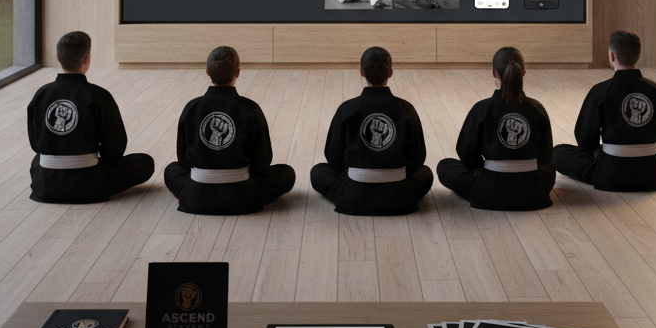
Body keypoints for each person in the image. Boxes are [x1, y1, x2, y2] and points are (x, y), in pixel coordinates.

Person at [164, 46, 295, 214]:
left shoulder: (192, 107)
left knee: (171, 170)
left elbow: (183, 161)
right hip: (242, 195)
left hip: (196, 196)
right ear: (237, 73)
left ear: (207, 72)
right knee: (286, 173)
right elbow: (263, 162)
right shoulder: (251, 108)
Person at [27, 31, 155, 203]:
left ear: (57, 57)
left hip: (46, 185)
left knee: (38, 159)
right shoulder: (99, 95)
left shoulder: (41, 94)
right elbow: (115, 150)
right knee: (145, 162)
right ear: (86, 59)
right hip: (89, 184)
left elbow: (36, 144)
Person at [311, 46, 433, 215]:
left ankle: (351, 195)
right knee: (426, 173)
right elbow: (417, 159)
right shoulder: (406, 109)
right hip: (399, 196)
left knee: (318, 171)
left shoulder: (347, 108)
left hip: (353, 195)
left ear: (362, 72)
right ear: (390, 73)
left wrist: (351, 173)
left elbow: (333, 157)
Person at [437, 47, 555, 210]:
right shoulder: (537, 108)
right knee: (550, 168)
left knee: (445, 166)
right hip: (531, 191)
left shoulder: (482, 109)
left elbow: (465, 152)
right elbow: (545, 156)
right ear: (523, 73)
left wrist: (481, 171)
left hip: (489, 189)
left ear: (494, 72)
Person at [551, 30, 656, 191]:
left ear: (612, 56)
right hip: (653, 174)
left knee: (558, 152)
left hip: (611, 174)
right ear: (638, 56)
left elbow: (585, 140)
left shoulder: (600, 91)